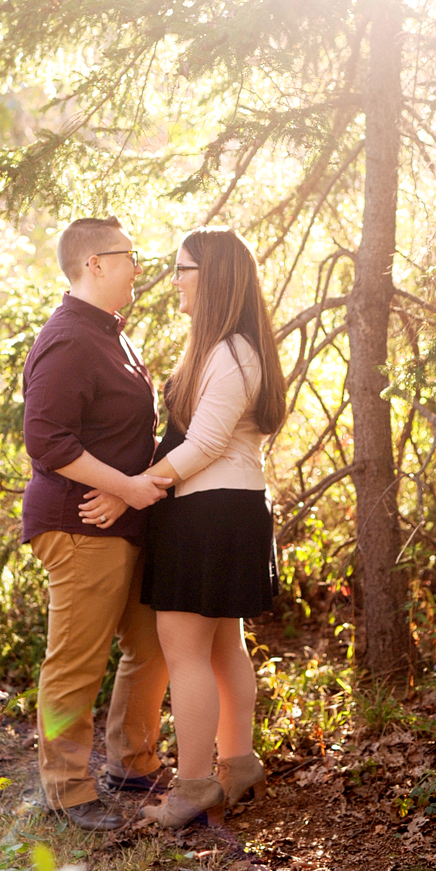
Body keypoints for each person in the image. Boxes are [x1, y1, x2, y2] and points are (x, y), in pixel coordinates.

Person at [79, 226, 286, 827]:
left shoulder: (230, 352)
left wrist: (134, 491)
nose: (172, 280)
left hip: (208, 513)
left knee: (186, 650)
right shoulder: (231, 347)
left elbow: (203, 443)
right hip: (229, 508)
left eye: (182, 269)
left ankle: (195, 785)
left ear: (213, 277)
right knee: (224, 646)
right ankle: (238, 764)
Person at [21, 215, 173, 830]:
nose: (139, 266)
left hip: (120, 517)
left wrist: (131, 492)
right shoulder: (69, 338)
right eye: (129, 256)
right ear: (96, 264)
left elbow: (121, 436)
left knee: (152, 645)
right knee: (75, 662)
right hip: (77, 524)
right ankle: (66, 787)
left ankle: (134, 762)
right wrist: (125, 489)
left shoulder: (112, 333)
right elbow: (46, 440)